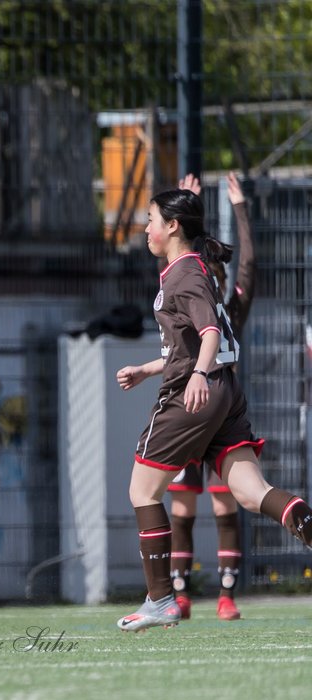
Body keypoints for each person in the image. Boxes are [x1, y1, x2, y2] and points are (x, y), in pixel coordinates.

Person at [114, 186, 312, 632]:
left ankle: (162, 598)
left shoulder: (185, 273)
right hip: (224, 391)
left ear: (172, 226)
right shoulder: (192, 269)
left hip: (195, 392)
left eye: (150, 220)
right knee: (250, 492)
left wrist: (198, 377)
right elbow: (188, 344)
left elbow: (207, 335)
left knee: (142, 492)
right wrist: (147, 369)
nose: (145, 228)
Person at [166, 173, 255, 621]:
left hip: (220, 409)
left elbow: (248, 265)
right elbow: (169, 269)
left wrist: (241, 210)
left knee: (225, 503)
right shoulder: (186, 287)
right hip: (188, 406)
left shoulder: (231, 304)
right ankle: (180, 595)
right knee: (181, 507)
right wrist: (186, 210)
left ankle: (225, 596)